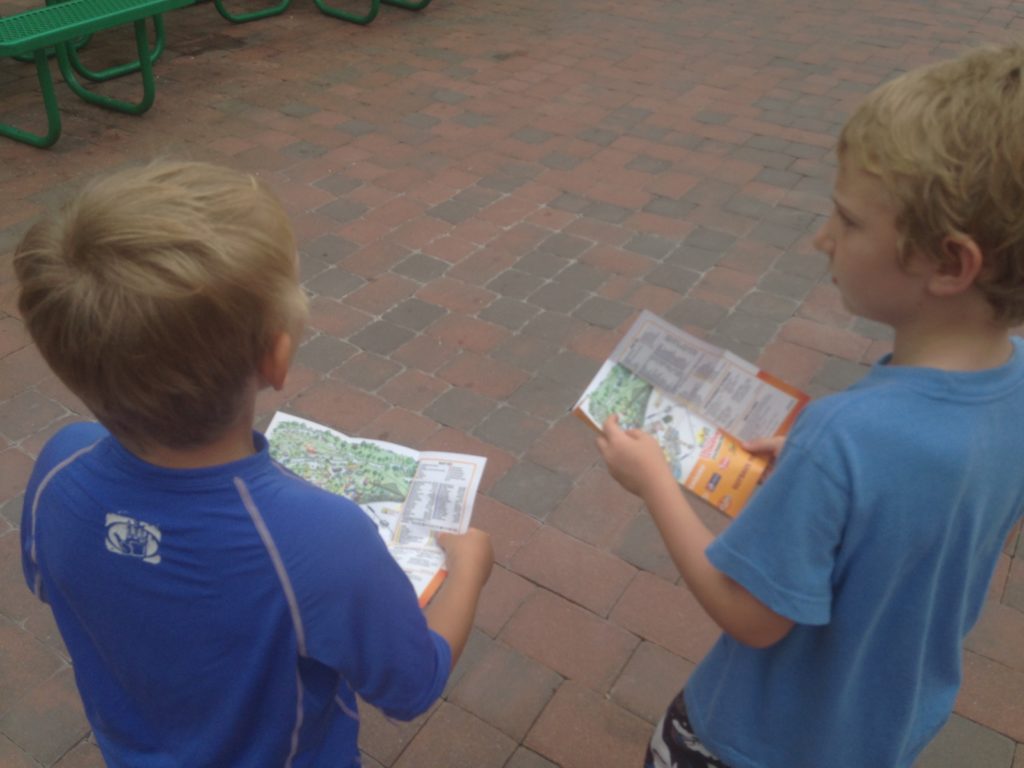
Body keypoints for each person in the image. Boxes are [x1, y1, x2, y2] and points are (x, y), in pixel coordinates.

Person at [597, 44, 1024, 768]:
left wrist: (655, 485)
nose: (820, 237)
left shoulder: (843, 437)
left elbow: (750, 615)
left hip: (753, 742)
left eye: (850, 221)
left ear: (950, 264)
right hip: (884, 726)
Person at [14, 160, 493, 768]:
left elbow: (55, 586)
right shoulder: (321, 538)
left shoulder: (59, 465)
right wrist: (471, 566)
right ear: (276, 359)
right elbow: (411, 684)